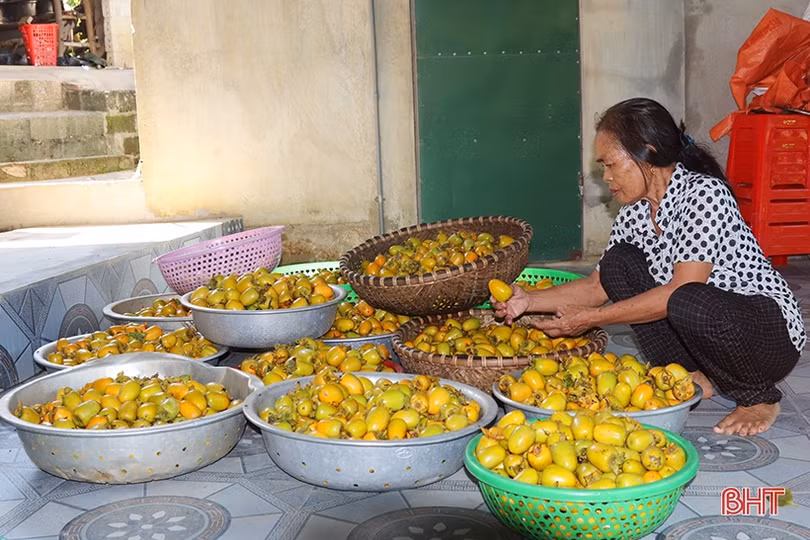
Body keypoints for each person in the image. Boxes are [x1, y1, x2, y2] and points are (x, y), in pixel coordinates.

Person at [494, 97, 806, 436]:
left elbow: (680, 291)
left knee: (688, 299)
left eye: (611, 164)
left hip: (766, 336)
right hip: (707, 333)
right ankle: (696, 374)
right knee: (618, 265)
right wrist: (528, 301)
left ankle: (759, 397)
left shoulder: (704, 193)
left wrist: (592, 319)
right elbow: (595, 287)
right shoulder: (634, 212)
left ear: (647, 152)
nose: (606, 177)